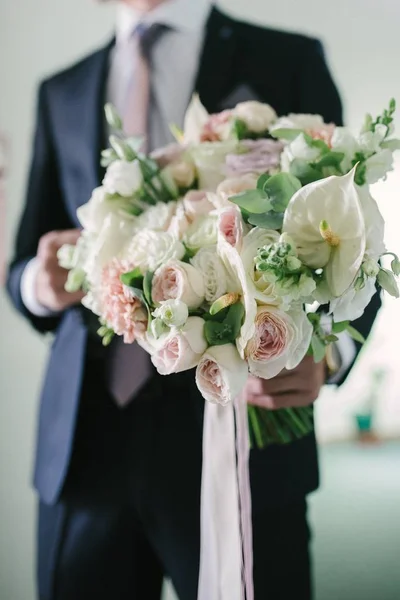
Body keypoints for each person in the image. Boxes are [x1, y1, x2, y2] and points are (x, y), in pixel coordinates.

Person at [6, 1, 381, 599]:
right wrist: (37, 283)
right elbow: (23, 262)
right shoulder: (63, 89)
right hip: (87, 444)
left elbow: (352, 234)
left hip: (242, 430)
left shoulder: (287, 60)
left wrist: (325, 355)